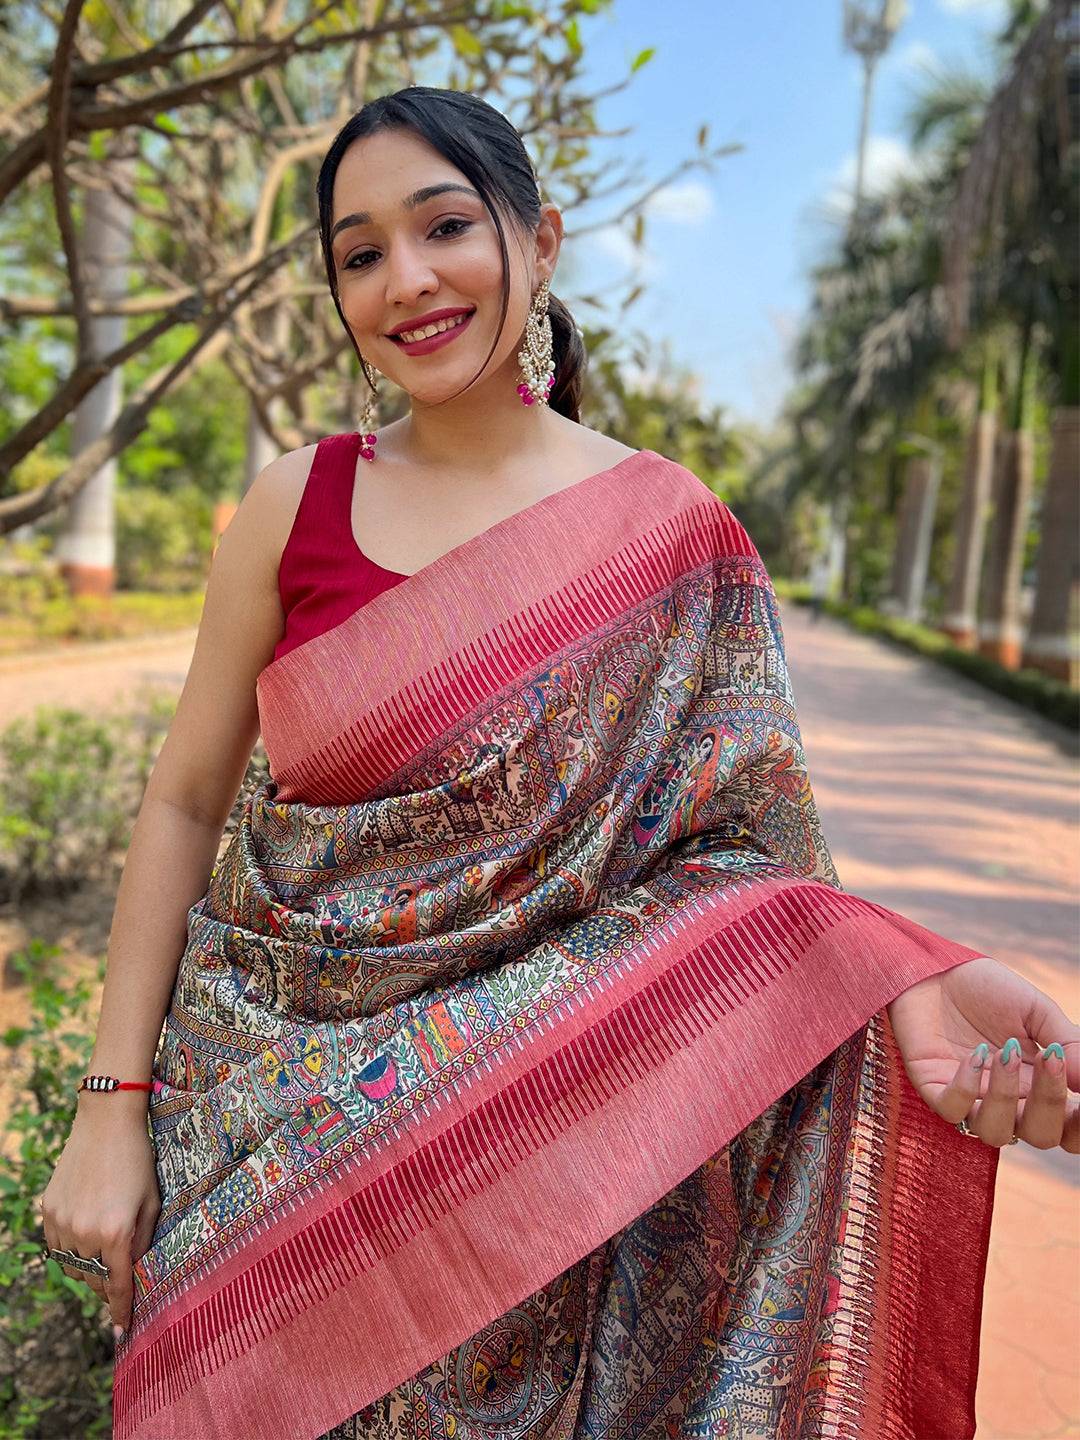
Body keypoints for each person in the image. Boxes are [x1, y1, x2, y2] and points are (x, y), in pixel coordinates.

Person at [38, 86, 1077, 1440]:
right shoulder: (299, 505)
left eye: (445, 227)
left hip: (545, 1194)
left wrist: (921, 990)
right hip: (257, 1150)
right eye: (359, 253)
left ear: (541, 238)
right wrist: (111, 1110)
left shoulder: (671, 541)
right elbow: (183, 802)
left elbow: (748, 888)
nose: (406, 279)